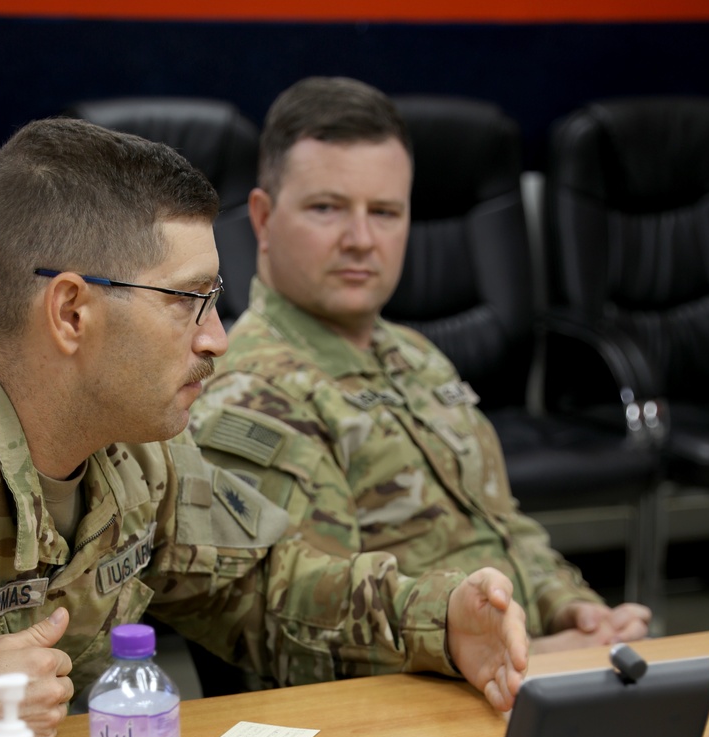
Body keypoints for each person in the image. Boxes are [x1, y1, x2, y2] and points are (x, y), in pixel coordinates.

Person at [0, 117, 527, 737]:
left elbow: (257, 590)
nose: (216, 338)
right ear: (71, 312)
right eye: (187, 301)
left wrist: (436, 618)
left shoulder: (137, 459)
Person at [190, 77, 650, 655]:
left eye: (385, 211)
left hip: (518, 676)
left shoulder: (415, 355)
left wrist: (571, 610)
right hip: (401, 715)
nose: (361, 239)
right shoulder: (252, 393)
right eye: (327, 208)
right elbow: (293, 633)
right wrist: (503, 651)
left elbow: (500, 525)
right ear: (261, 217)